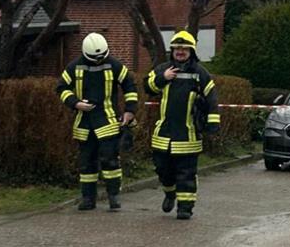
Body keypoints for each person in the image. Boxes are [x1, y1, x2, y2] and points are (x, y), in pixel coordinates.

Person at [56, 33, 138, 211]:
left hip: (107, 121)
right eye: (95, 59)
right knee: (87, 162)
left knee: (110, 161)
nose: (99, 61)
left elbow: (130, 86)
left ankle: (114, 197)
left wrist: (130, 110)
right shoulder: (74, 67)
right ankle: (88, 199)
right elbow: (61, 87)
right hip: (84, 123)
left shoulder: (114, 65)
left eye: (102, 57)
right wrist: (75, 103)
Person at [145, 31, 220, 219]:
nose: (180, 52)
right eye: (177, 48)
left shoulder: (200, 73)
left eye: (184, 49)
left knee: (186, 173)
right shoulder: (163, 69)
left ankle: (185, 208)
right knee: (163, 170)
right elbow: (147, 87)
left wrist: (212, 124)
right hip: (164, 133)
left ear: (191, 51)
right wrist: (164, 77)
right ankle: (169, 194)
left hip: (188, 133)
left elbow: (212, 99)